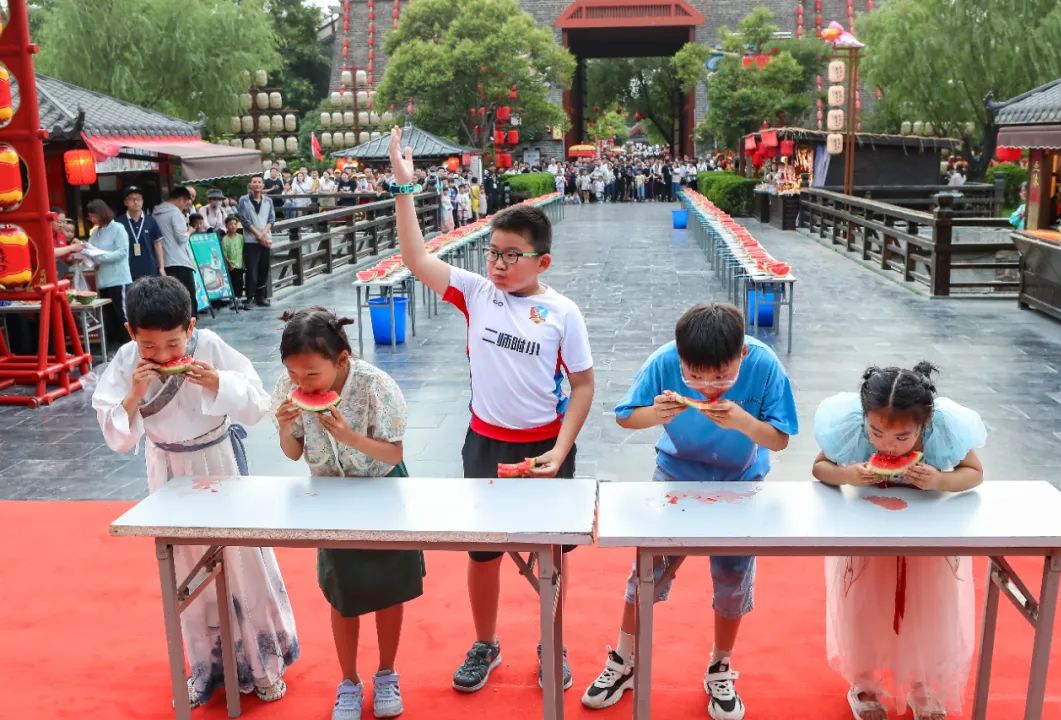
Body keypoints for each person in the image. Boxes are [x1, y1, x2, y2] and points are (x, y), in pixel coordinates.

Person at [389, 125, 594, 693]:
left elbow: (582, 386)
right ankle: (486, 643)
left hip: (545, 447)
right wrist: (404, 189)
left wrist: (561, 450)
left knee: (550, 554)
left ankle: (551, 640)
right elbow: (415, 258)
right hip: (485, 444)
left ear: (542, 261)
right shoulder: (476, 293)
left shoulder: (563, 314)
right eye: (492, 253)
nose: (498, 265)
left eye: (511, 256)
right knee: (483, 553)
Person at [580, 303, 797, 720]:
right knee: (647, 570)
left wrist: (742, 421)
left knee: (732, 576)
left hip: (740, 478)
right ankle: (625, 659)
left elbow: (780, 439)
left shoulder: (765, 364)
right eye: (694, 376)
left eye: (722, 376)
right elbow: (626, 417)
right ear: (680, 358)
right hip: (676, 474)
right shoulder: (663, 361)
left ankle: (720, 665)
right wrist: (654, 414)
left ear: (742, 354)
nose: (708, 387)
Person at [91, 275, 299, 708]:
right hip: (166, 469)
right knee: (186, 571)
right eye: (150, 346)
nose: (165, 355)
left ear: (190, 326)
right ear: (130, 333)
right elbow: (116, 435)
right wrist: (134, 394)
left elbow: (257, 403)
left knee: (241, 562)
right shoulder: (127, 360)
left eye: (174, 343)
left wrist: (216, 382)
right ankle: (206, 669)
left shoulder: (211, 346)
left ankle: (265, 664)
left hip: (217, 461)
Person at [271, 307, 424, 720]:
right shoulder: (288, 389)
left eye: (311, 374)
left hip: (382, 489)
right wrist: (285, 427)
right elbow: (293, 452)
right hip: (332, 497)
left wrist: (350, 437)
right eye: (293, 373)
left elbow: (394, 453)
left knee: (391, 590)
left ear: (341, 360)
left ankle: (387, 673)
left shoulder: (377, 385)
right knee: (343, 595)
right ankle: (349, 680)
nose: (301, 383)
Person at [811, 363, 985, 720]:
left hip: (927, 538)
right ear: (864, 417)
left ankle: (923, 686)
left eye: (902, 438)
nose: (887, 445)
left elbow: (974, 473)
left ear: (924, 423)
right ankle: (864, 684)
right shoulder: (850, 426)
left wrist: (939, 481)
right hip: (867, 535)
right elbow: (820, 467)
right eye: (876, 433)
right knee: (863, 610)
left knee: (929, 612)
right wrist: (848, 474)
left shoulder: (943, 429)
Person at [84, 199, 132, 342]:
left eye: (94, 216)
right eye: (90, 217)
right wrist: (82, 248)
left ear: (101, 213)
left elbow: (122, 252)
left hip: (119, 278)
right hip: (103, 280)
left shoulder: (118, 228)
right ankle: (113, 347)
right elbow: (90, 250)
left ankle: (130, 343)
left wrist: (99, 257)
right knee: (109, 316)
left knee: (122, 314)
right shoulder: (95, 232)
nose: (92, 220)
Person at [153, 185, 198, 314]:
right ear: (181, 199)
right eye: (187, 202)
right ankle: (190, 323)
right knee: (188, 298)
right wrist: (190, 231)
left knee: (172, 299)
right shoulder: (175, 213)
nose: (186, 205)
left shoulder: (155, 213)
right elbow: (181, 238)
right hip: (180, 261)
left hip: (163, 262)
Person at [236, 175, 274, 308]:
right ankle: (249, 297)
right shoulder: (244, 200)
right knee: (252, 270)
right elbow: (244, 219)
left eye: (259, 182)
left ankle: (260, 297)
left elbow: (271, 219)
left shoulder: (268, 200)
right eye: (254, 182)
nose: (257, 184)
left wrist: (263, 235)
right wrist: (258, 235)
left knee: (264, 268)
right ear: (250, 185)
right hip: (251, 240)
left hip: (265, 239)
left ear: (263, 185)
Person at [118, 187, 164, 281]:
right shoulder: (118, 223)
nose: (136, 202)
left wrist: (161, 267)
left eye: (138, 199)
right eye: (132, 199)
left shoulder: (151, 221)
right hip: (127, 271)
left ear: (142, 201)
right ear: (125, 202)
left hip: (150, 269)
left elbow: (157, 244)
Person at [51, 207, 82, 279]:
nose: (62, 225)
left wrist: (76, 257)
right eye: (59, 222)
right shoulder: (44, 235)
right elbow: (50, 252)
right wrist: (71, 248)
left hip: (60, 275)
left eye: (64, 222)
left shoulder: (61, 236)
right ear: (50, 220)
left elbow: (66, 259)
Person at [221, 215, 245, 303]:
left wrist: (244, 263)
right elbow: (224, 254)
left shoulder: (241, 237)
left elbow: (243, 250)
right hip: (231, 265)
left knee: (240, 282)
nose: (233, 226)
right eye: (230, 224)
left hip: (240, 264)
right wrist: (229, 264)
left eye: (235, 224)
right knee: (233, 282)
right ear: (226, 226)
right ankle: (234, 299)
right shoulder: (225, 239)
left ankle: (238, 299)